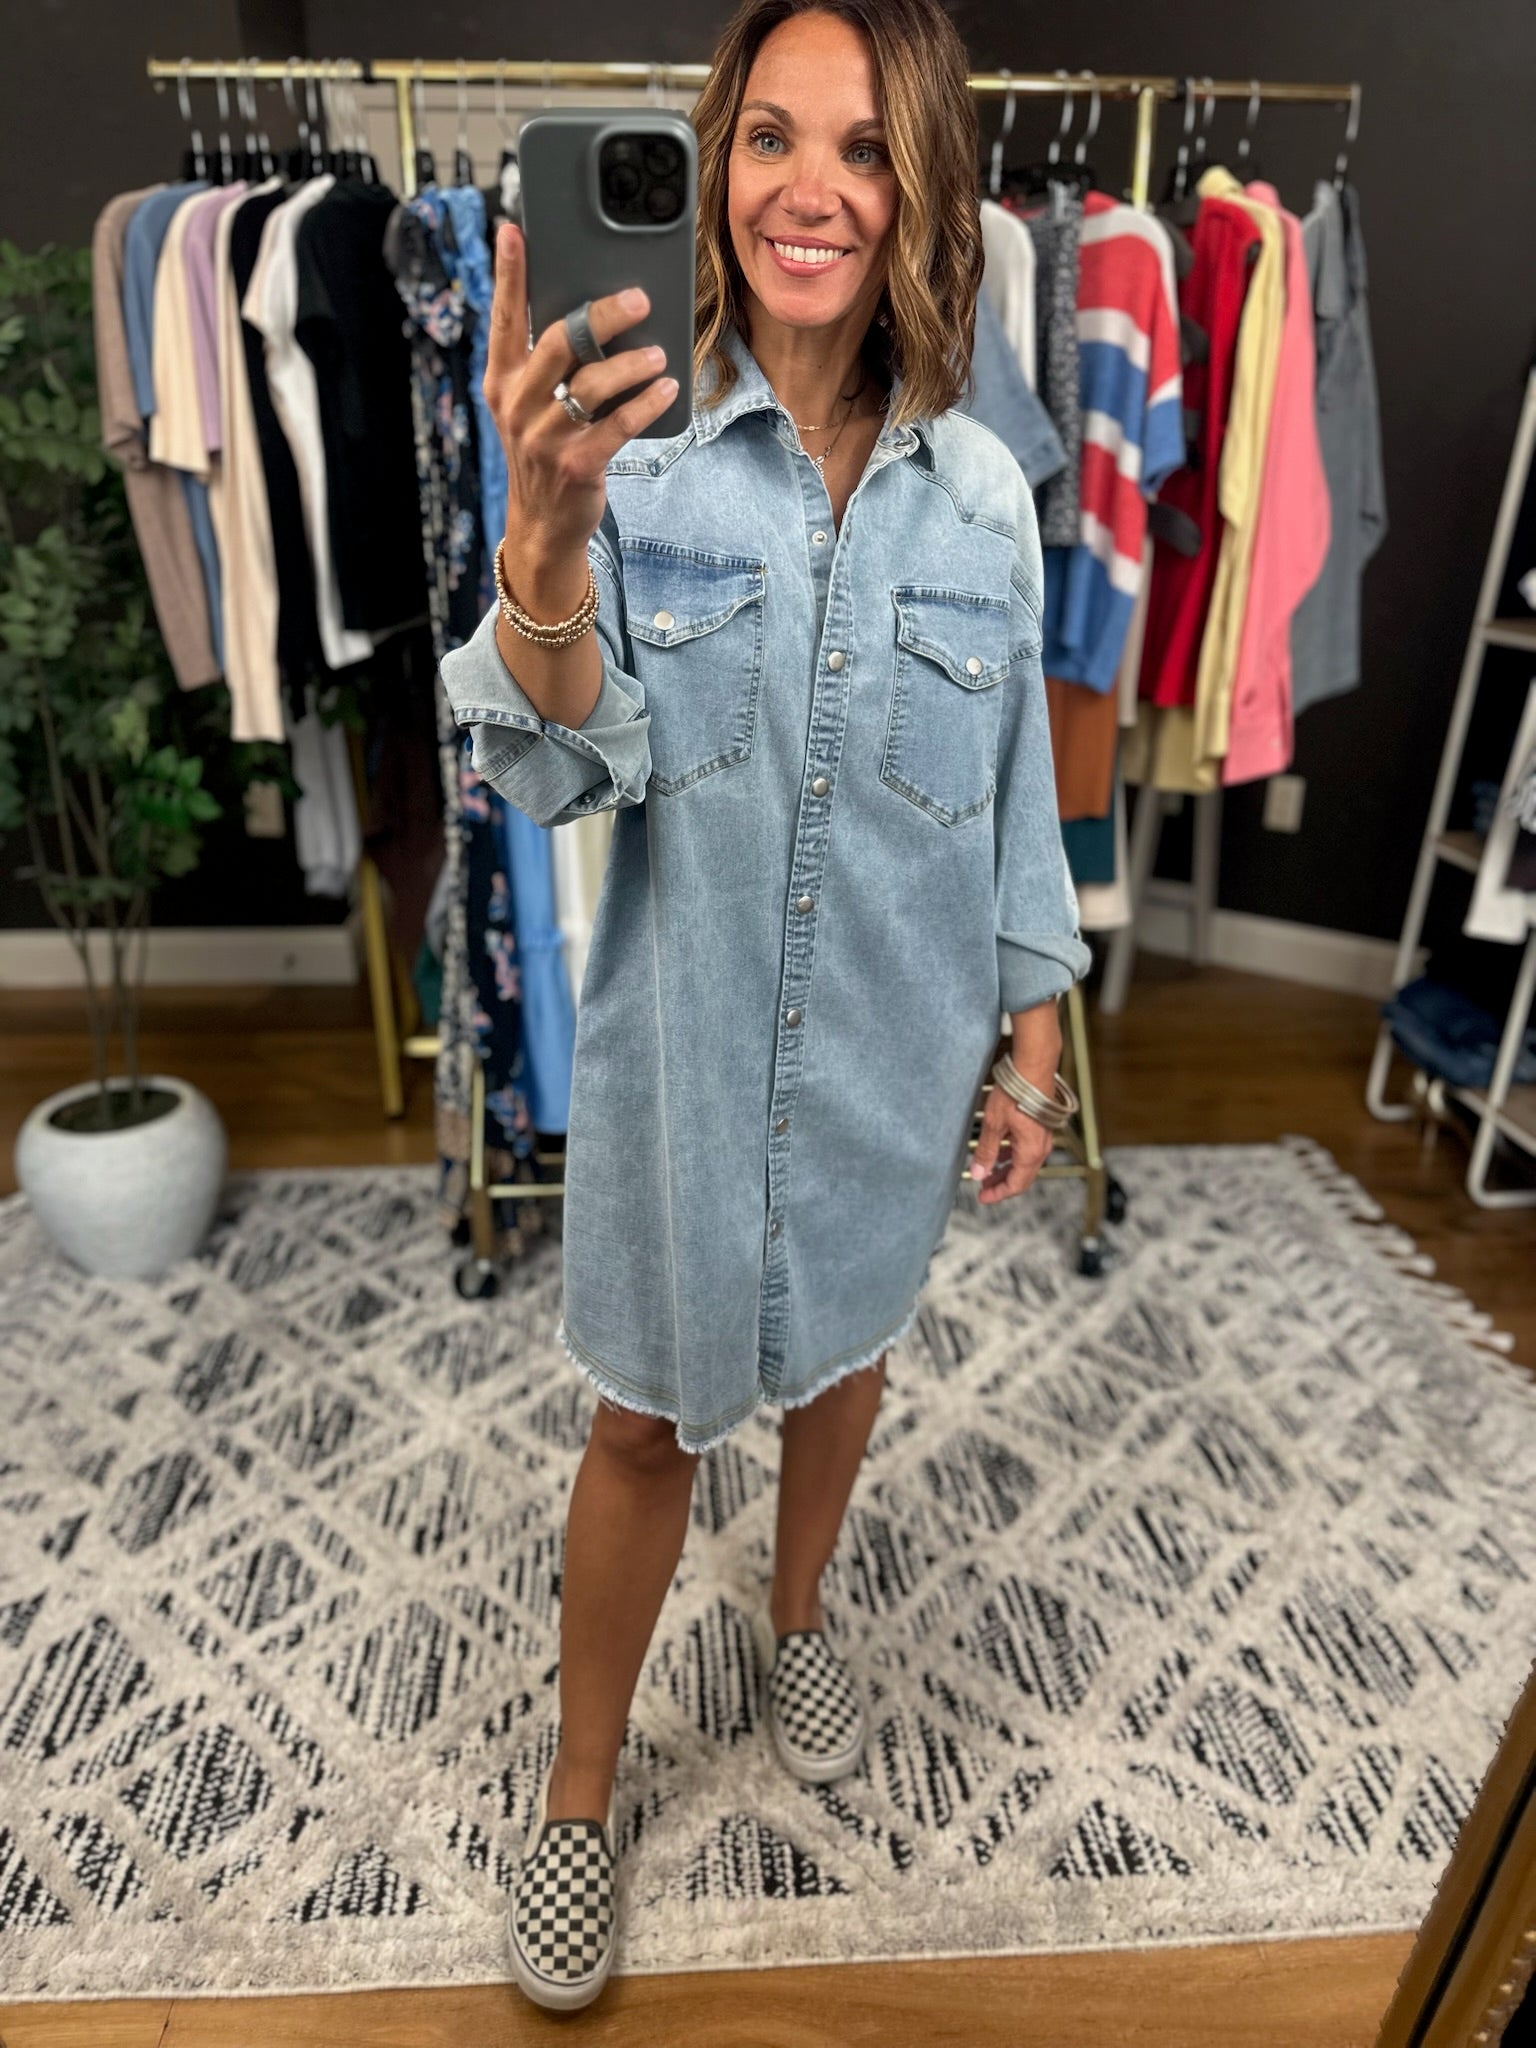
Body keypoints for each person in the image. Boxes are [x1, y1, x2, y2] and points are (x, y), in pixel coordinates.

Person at [439, 0, 1090, 2010]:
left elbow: (1011, 789)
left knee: (848, 1361)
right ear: (718, 161)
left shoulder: (983, 495)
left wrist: (1035, 1028)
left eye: (869, 146)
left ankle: (798, 1618)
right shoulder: (625, 458)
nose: (817, 189)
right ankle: (578, 1790)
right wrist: (544, 541)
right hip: (688, 1066)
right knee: (644, 1425)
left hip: (900, 1043)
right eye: (776, 137)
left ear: (925, 186)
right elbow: (556, 773)